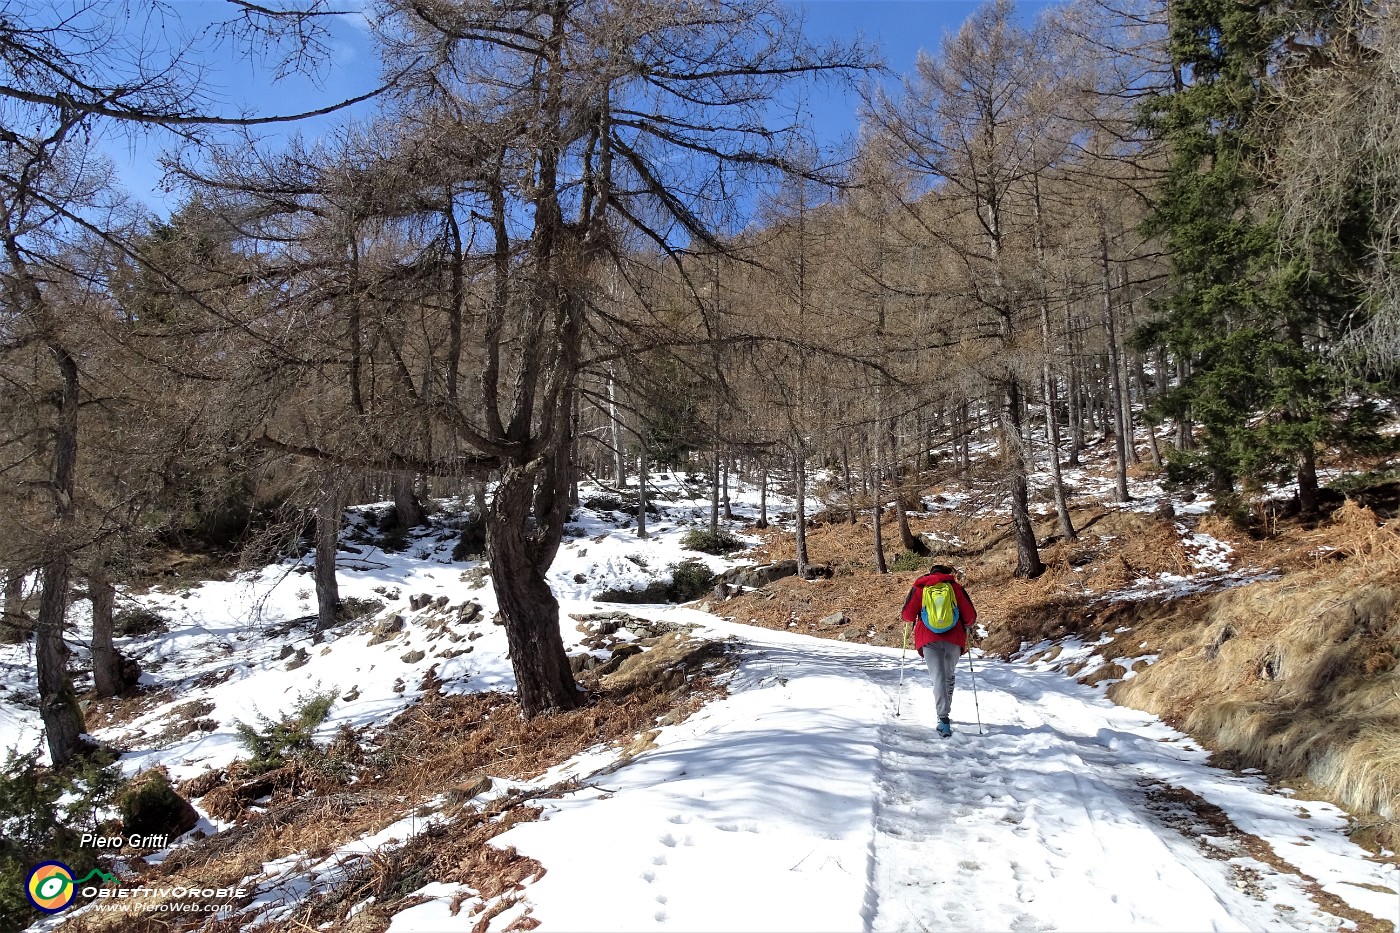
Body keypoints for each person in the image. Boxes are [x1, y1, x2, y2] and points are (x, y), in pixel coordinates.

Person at [900, 564, 977, 737]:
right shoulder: (955, 588)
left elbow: (907, 615)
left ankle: (943, 718)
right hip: (954, 639)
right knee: (948, 675)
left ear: (930, 573)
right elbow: (971, 616)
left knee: (938, 677)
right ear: (947, 574)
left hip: (929, 639)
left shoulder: (921, 588)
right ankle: (945, 709)